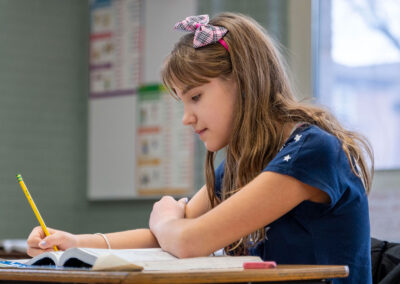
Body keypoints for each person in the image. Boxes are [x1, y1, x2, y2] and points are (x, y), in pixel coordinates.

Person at [27, 13, 373, 283]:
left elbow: (188, 239)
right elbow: (166, 236)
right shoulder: (247, 162)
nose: (186, 118)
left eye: (195, 97)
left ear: (244, 82)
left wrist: (166, 220)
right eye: (182, 102)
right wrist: (76, 242)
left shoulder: (310, 152)